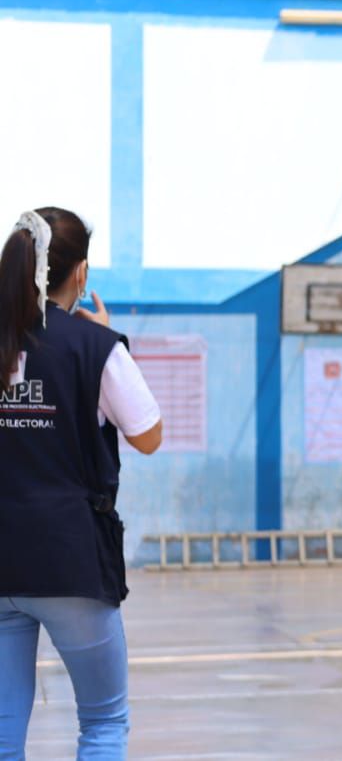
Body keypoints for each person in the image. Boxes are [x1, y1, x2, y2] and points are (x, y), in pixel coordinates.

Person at [0, 207, 164, 759]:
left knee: (3, 732)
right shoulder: (94, 346)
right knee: (102, 723)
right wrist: (104, 342)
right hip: (70, 559)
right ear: (81, 273)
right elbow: (148, 435)